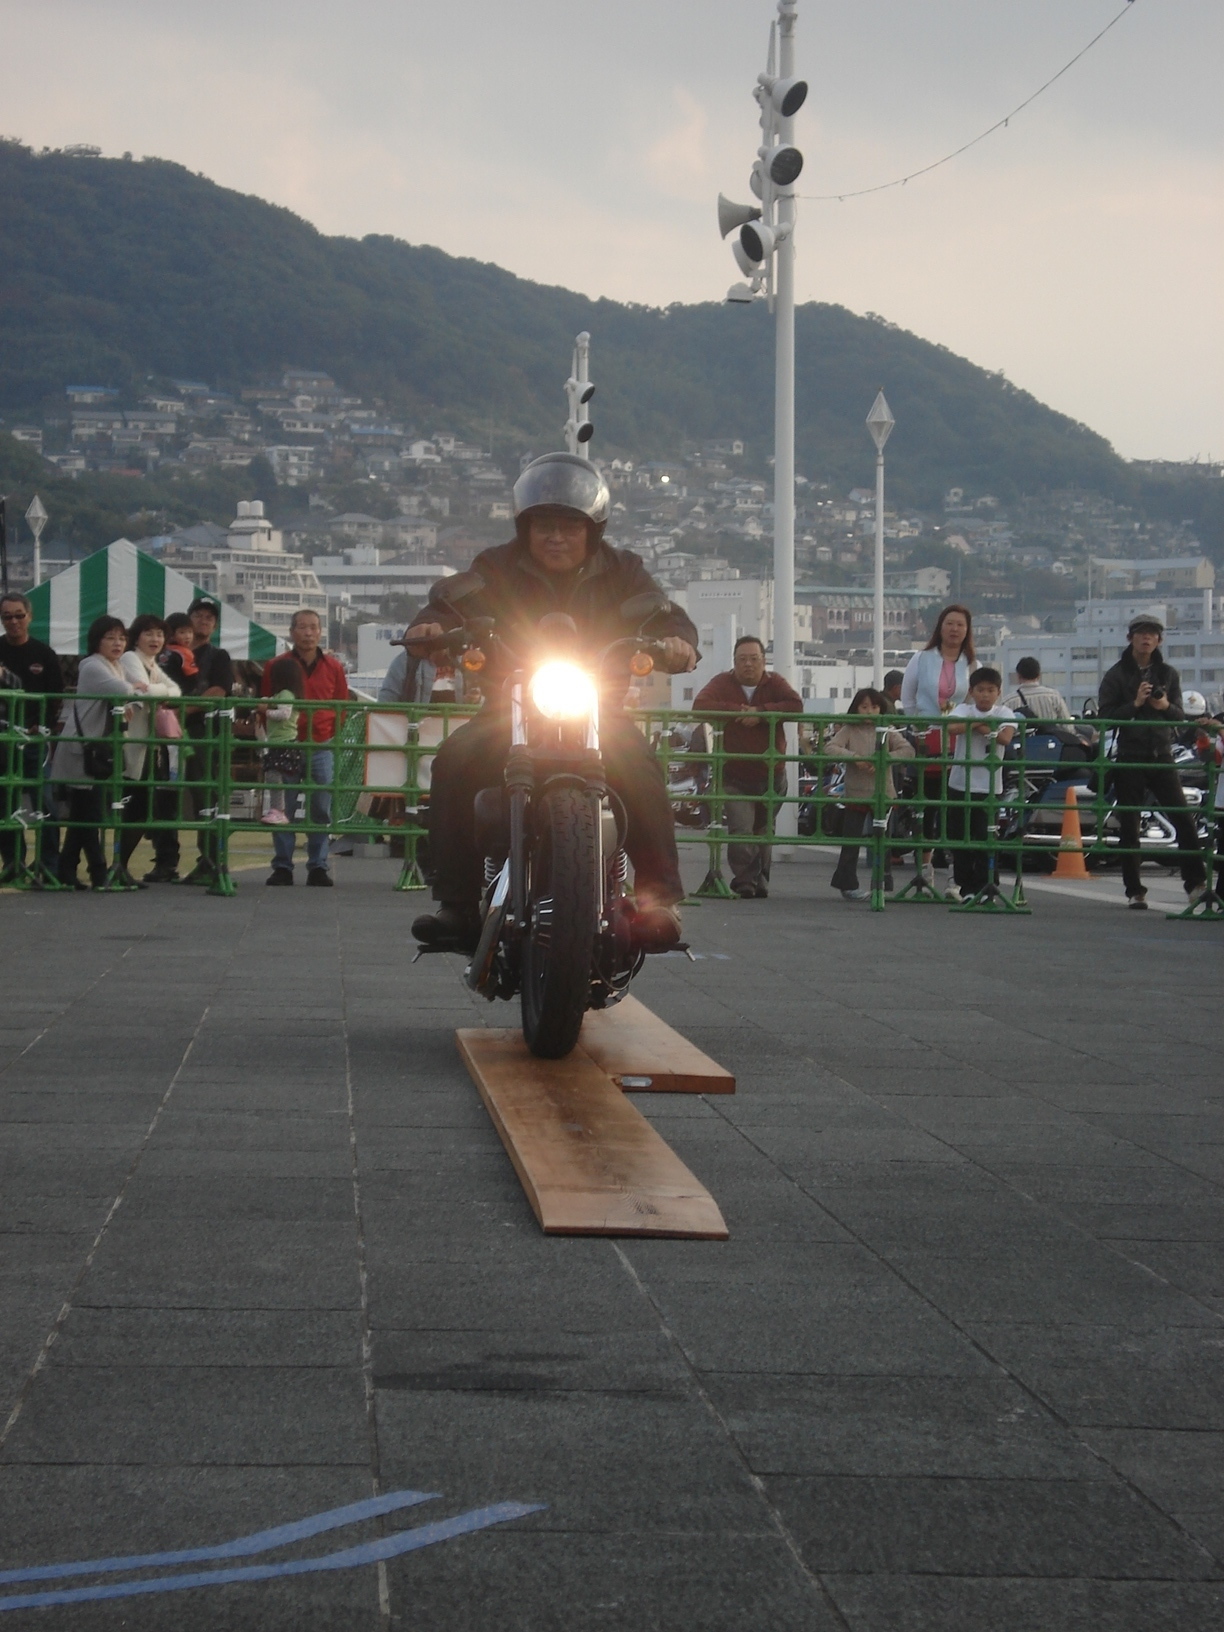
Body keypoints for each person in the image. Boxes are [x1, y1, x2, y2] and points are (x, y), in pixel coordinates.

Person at [404, 451, 698, 953]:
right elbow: (450, 600)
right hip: (509, 708)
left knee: (641, 763)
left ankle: (659, 900)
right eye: (544, 526)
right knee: (453, 760)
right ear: (525, 527)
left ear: (592, 530)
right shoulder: (495, 567)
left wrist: (677, 642)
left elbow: (665, 613)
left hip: (597, 710)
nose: (556, 536)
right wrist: (430, 626)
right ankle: (455, 903)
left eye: (569, 526)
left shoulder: (625, 570)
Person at [1098, 613, 1206, 910]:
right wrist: (1133, 704)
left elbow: (1179, 716)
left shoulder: (1168, 674)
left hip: (1162, 754)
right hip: (1130, 756)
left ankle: (1195, 883)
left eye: (1152, 634)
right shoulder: (1116, 674)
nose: (1146, 638)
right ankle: (1135, 890)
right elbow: (1104, 717)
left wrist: (1163, 705)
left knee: (1184, 819)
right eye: (1141, 633)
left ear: (1159, 640)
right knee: (1130, 825)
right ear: (1130, 637)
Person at [691, 635, 802, 899]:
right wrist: (735, 711)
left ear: (764, 661)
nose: (748, 665)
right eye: (742, 659)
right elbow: (700, 705)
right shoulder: (722, 682)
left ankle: (760, 880)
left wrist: (761, 712)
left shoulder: (775, 683)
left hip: (771, 773)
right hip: (734, 774)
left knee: (764, 830)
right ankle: (745, 881)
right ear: (734, 663)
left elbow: (795, 705)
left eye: (754, 659)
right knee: (741, 827)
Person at [49, 615, 141, 890]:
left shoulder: (115, 665)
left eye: (121, 638)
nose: (117, 643)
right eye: (110, 637)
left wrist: (133, 694)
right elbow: (126, 690)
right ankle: (98, 871)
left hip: (94, 750)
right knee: (89, 813)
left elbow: (133, 695)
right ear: (96, 641)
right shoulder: (91, 665)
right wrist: (134, 691)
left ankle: (68, 869)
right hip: (81, 750)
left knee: (83, 813)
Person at [260, 610, 349, 886]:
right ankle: (283, 866)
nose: (308, 633)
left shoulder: (334, 666)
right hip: (287, 743)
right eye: (302, 627)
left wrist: (329, 729)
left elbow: (342, 704)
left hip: (321, 743)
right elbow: (266, 702)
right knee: (282, 807)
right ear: (291, 631)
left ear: (321, 632)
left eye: (313, 627)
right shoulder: (276, 665)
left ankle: (318, 865)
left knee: (321, 806)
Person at [899, 604, 975, 889]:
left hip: (958, 740)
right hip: (926, 739)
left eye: (960, 625)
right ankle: (925, 870)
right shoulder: (921, 658)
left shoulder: (970, 663)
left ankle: (957, 872)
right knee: (928, 806)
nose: (955, 629)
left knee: (956, 806)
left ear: (967, 631)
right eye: (950, 623)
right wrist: (918, 728)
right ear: (940, 627)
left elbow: (974, 702)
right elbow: (908, 699)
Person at [825, 687, 915, 899]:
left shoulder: (887, 729)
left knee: (882, 841)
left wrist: (884, 759)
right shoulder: (849, 729)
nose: (869, 711)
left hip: (883, 793)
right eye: (864, 707)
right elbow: (830, 747)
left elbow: (908, 750)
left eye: (874, 707)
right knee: (852, 841)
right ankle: (847, 884)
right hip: (856, 793)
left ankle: (881, 883)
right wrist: (854, 757)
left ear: (881, 709)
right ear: (855, 708)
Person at [0, 591, 64, 883]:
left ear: (29, 617)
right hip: (3, 739)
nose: (13, 622)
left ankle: (49, 864)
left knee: (45, 802)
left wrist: (43, 725)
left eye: (18, 616)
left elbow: (56, 697)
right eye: (7, 617)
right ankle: (12, 862)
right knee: (5, 803)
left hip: (34, 740)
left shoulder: (44, 653)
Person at [172, 596, 235, 886]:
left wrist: (179, 711)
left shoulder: (218, 656)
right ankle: (165, 859)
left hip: (201, 732)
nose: (205, 620)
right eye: (199, 614)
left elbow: (219, 691)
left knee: (205, 796)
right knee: (160, 795)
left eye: (210, 616)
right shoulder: (169, 653)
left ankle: (210, 859)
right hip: (168, 731)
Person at [117, 614, 181, 885]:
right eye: (149, 633)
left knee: (139, 808)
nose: (155, 639)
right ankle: (115, 866)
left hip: (144, 745)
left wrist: (153, 688)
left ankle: (118, 866)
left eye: (159, 634)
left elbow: (176, 691)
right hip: (129, 744)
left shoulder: (151, 664)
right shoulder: (131, 658)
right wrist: (158, 690)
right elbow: (144, 695)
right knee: (132, 807)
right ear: (137, 637)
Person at [945, 666, 1017, 901]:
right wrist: (983, 726)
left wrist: (975, 725)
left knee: (985, 838)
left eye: (990, 690)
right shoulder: (962, 709)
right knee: (960, 839)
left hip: (989, 787)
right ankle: (966, 889)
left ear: (998, 692)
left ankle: (988, 887)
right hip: (959, 784)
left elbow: (1005, 738)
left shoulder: (1005, 712)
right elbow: (951, 728)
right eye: (980, 690)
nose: (985, 695)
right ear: (972, 691)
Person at [258, 654, 306, 825]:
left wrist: (265, 711)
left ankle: (279, 810)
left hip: (284, 742)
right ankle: (277, 810)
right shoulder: (283, 694)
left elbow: (284, 714)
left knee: (274, 775)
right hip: (279, 742)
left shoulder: (286, 694)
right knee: (273, 775)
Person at [1003, 657, 1072, 720]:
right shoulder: (1054, 695)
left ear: (1018, 676)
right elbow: (1067, 724)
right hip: (1051, 733)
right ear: (1039, 675)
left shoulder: (1008, 701)